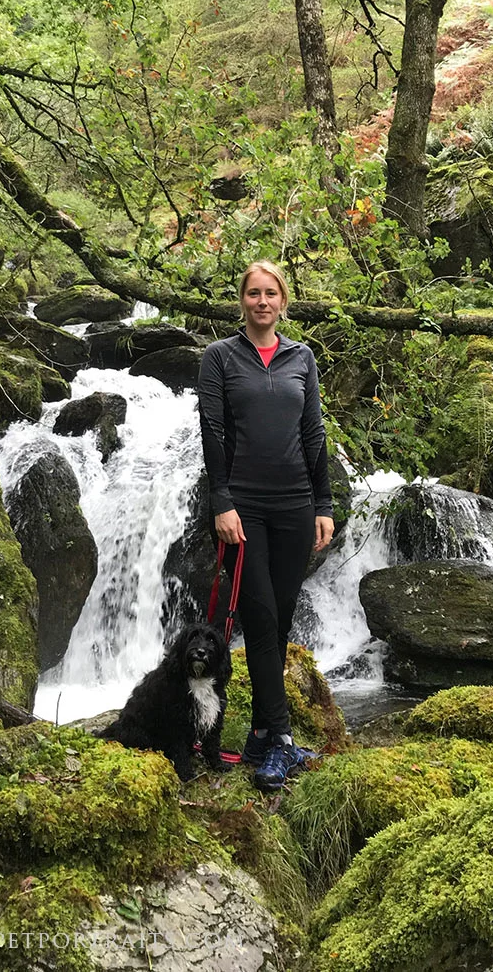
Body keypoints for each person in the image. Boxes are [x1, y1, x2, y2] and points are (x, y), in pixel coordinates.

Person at [197, 260, 334, 790]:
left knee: (279, 618)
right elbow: (212, 432)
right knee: (258, 618)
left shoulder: (303, 358)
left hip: (297, 503)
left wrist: (323, 504)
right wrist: (221, 502)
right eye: (252, 293)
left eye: (270, 293)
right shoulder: (220, 357)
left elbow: (313, 432)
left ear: (283, 301)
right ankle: (280, 741)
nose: (261, 301)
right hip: (243, 507)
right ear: (242, 301)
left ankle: (259, 733)